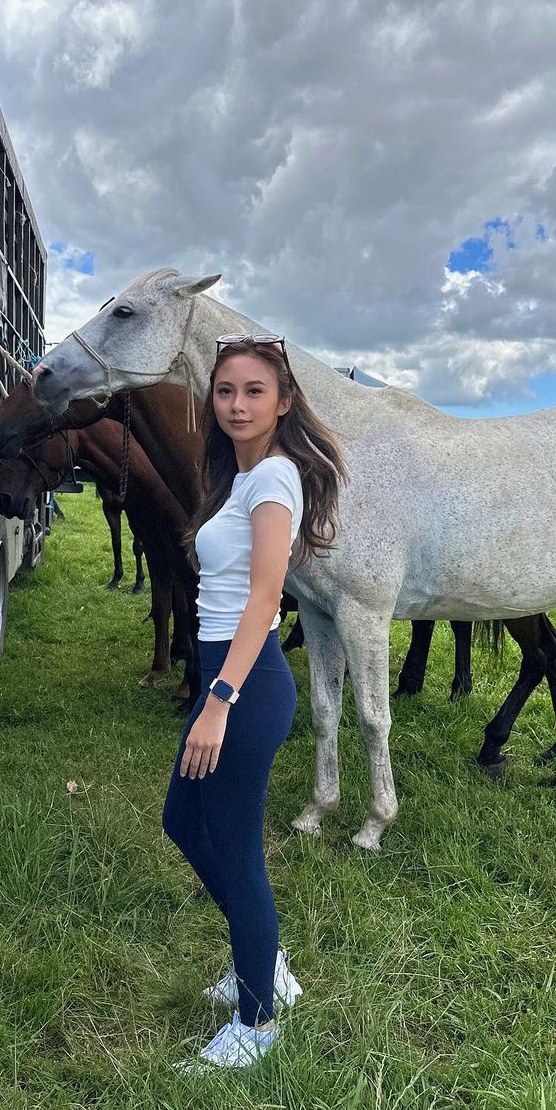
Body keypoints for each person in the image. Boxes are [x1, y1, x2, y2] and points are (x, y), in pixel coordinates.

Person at [163, 331, 348, 1071]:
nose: (237, 405)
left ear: (285, 401)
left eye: (254, 392)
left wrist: (218, 700)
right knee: (184, 820)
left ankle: (259, 1022)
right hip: (228, 675)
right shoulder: (240, 479)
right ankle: (265, 962)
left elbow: (267, 596)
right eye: (225, 391)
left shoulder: (273, 480)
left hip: (244, 682)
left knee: (237, 850)